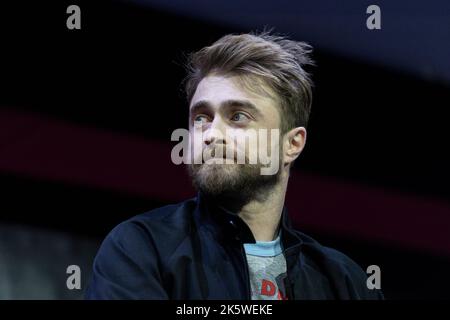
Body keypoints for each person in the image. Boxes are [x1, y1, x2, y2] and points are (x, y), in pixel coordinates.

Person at [85, 30, 384, 300]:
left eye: (238, 116)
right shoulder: (140, 249)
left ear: (291, 144)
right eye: (201, 118)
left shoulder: (346, 284)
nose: (212, 133)